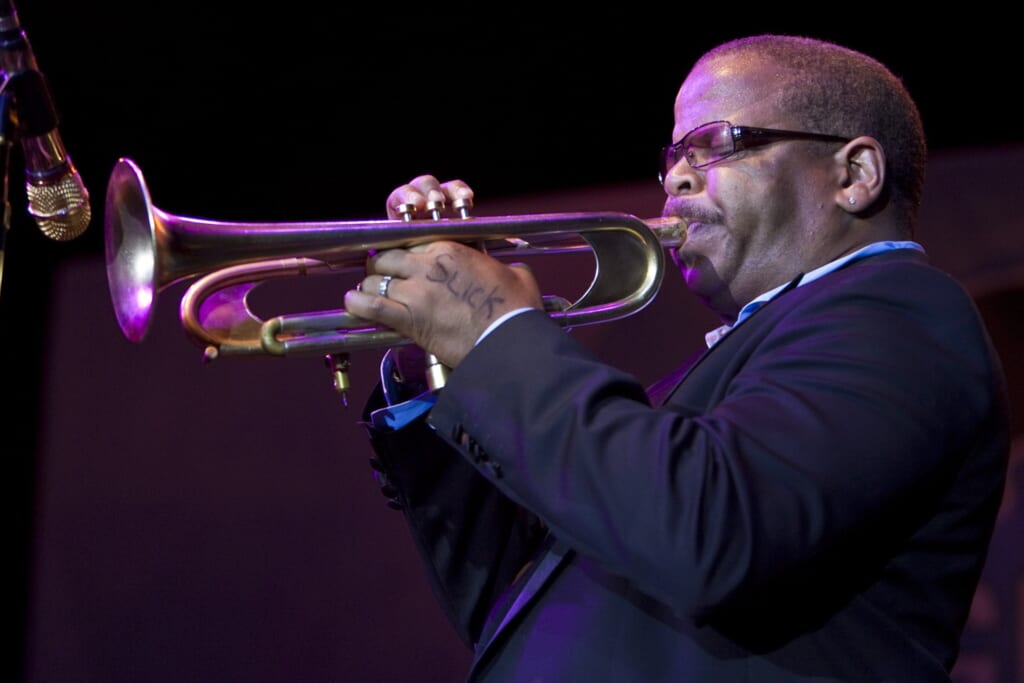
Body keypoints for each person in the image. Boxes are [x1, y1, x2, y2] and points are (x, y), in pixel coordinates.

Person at [343, 34, 1011, 681]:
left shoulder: (900, 311)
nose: (676, 177)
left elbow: (710, 532)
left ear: (854, 175)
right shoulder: (704, 390)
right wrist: (444, 361)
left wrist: (500, 333)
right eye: (673, 156)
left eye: (716, 143)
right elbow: (512, 601)